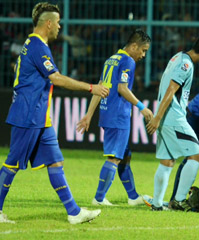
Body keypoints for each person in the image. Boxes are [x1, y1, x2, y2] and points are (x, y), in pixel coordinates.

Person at [0, 2, 109, 224]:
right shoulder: (38, 46)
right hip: (28, 114)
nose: (60, 26)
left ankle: (74, 212)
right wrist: (91, 88)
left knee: (55, 162)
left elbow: (17, 68)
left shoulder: (31, 44)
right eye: (58, 22)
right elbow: (56, 78)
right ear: (48, 24)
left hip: (40, 116)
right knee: (12, 164)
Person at [76, 29, 153, 206]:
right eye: (143, 50)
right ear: (134, 46)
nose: (143, 55)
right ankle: (99, 199)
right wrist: (142, 107)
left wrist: (89, 114)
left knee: (124, 155)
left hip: (107, 113)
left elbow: (100, 87)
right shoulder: (128, 61)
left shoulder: (111, 59)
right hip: (118, 115)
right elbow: (122, 88)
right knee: (115, 158)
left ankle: (133, 197)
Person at [145, 34, 199, 211]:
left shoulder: (178, 56)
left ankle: (156, 204)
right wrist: (157, 118)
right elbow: (171, 90)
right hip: (173, 117)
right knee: (196, 155)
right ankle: (179, 200)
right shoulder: (186, 65)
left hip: (167, 116)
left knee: (167, 161)